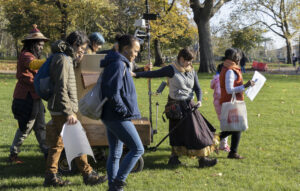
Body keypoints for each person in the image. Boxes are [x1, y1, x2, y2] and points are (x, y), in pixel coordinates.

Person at [133, 48, 218, 168]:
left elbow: (197, 88)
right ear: (181, 59)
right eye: (188, 61)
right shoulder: (171, 69)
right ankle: (175, 158)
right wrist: (136, 74)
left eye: (191, 61)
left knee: (198, 131)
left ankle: (202, 158)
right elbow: (154, 73)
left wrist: (199, 100)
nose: (190, 63)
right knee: (177, 133)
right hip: (176, 106)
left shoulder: (192, 70)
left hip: (190, 106)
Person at [44, 31, 107, 187]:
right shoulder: (63, 59)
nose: (83, 51)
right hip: (63, 109)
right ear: (75, 44)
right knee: (78, 141)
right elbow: (61, 89)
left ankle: (51, 177)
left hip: (59, 108)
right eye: (82, 48)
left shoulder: (64, 58)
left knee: (57, 144)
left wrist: (75, 61)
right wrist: (69, 112)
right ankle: (88, 175)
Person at [100, 34, 144, 191]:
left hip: (112, 116)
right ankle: (119, 182)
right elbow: (111, 92)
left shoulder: (120, 63)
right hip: (117, 117)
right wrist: (123, 111)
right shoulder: (118, 64)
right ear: (126, 49)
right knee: (138, 149)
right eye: (135, 51)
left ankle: (114, 187)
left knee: (116, 153)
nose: (136, 54)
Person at [9, 24, 48, 164]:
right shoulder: (26, 55)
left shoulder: (31, 55)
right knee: (25, 127)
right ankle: (13, 154)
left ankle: (47, 152)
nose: (41, 47)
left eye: (42, 45)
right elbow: (34, 65)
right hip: (26, 97)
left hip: (35, 97)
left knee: (41, 127)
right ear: (32, 44)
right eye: (39, 44)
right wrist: (51, 61)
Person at [219, 48, 255, 159]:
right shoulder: (230, 70)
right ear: (230, 57)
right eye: (236, 56)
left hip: (232, 101)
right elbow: (229, 89)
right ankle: (213, 138)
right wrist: (244, 86)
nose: (238, 58)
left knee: (236, 127)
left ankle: (232, 152)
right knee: (236, 126)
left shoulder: (231, 68)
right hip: (231, 102)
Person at [210, 63, 230, 152]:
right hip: (223, 103)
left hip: (217, 103)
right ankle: (222, 145)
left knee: (225, 123)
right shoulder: (222, 79)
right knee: (226, 125)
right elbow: (219, 93)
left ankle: (222, 143)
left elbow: (211, 86)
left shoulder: (216, 78)